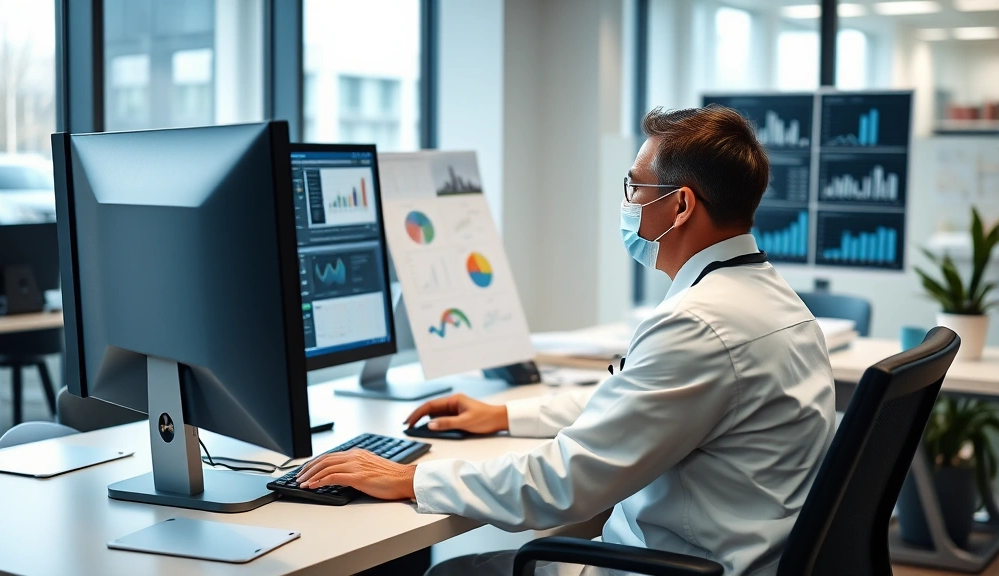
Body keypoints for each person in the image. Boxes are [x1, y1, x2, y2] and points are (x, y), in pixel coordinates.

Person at [295, 105, 836, 575]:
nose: (627, 204)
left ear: (681, 206)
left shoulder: (700, 323)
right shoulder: (774, 303)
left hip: (672, 566)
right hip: (742, 556)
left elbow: (565, 483)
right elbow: (635, 401)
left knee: (455, 572)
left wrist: (413, 478)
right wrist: (503, 417)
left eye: (635, 187)